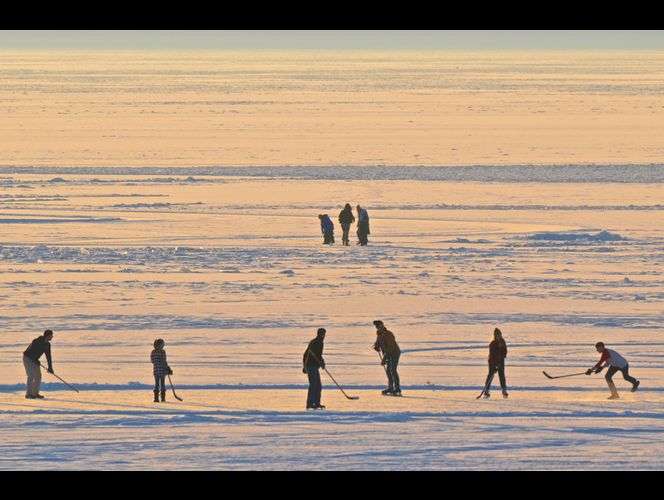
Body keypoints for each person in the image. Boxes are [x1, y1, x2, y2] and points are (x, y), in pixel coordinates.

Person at [23, 329, 54, 399]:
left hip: (35, 360)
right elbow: (29, 352)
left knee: (38, 376)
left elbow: (48, 356)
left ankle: (35, 393)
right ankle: (28, 394)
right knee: (31, 376)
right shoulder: (37, 341)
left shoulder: (47, 345)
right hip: (27, 358)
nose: (52, 337)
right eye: (51, 335)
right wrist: (35, 359)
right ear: (48, 336)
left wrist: (50, 367)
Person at [373, 320, 401, 396]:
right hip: (387, 354)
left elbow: (390, 348)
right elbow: (378, 342)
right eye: (376, 327)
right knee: (388, 371)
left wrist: (384, 359)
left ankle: (397, 388)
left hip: (394, 353)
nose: (378, 328)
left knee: (392, 370)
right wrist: (376, 346)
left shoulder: (388, 334)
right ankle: (391, 387)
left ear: (382, 325)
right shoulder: (379, 334)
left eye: (379, 326)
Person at [303, 328, 326, 409]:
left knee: (318, 385)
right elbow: (308, 354)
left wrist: (322, 362)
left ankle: (316, 403)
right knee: (313, 385)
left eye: (324, 334)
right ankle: (310, 403)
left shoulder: (320, 342)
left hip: (315, 366)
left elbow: (319, 355)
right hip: (310, 366)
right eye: (322, 334)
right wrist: (305, 366)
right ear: (318, 334)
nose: (323, 336)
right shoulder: (315, 342)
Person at [482, 328, 509, 399]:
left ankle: (504, 390)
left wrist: (501, 360)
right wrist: (495, 365)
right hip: (492, 362)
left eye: (499, 334)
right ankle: (486, 391)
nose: (498, 336)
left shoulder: (503, 342)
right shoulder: (492, 343)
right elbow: (492, 355)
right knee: (490, 375)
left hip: (501, 362)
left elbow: (505, 352)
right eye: (496, 335)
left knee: (502, 375)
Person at [150, 338, 173, 403]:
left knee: (157, 384)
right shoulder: (162, 352)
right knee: (162, 384)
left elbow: (152, 361)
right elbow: (164, 361)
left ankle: (156, 398)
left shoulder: (153, 352)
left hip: (156, 371)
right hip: (162, 371)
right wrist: (168, 368)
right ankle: (162, 398)